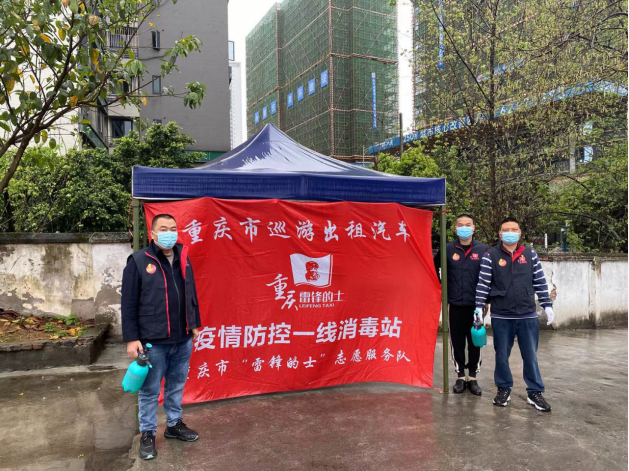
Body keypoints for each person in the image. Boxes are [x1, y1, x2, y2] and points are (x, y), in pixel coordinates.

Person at [122, 214, 203, 460]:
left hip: (182, 338)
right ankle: (147, 433)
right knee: (149, 390)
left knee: (176, 385)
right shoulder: (139, 261)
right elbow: (128, 302)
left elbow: (191, 292)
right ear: (153, 233)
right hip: (153, 341)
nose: (169, 233)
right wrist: (131, 338)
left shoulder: (183, 257)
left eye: (173, 228)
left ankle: (173, 424)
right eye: (164, 229)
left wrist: (194, 324)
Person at [475, 217, 555, 412]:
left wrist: (547, 304)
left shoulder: (530, 253)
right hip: (502, 315)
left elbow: (539, 280)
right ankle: (503, 389)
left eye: (514, 229)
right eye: (506, 230)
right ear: (500, 234)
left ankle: (534, 392)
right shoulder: (490, 255)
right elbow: (483, 283)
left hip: (527, 314)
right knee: (502, 355)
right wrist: (478, 308)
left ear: (519, 233)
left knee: (530, 356)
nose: (510, 232)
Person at [434, 214, 488, 395]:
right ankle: (460, 375)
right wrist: (443, 286)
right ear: (455, 228)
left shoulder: (483, 249)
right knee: (457, 341)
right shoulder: (448, 249)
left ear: (473, 228)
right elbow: (435, 267)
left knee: (475, 340)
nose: (464, 228)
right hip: (455, 303)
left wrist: (486, 300)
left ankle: (472, 377)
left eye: (468, 225)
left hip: (476, 305)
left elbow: (489, 275)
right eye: (460, 225)